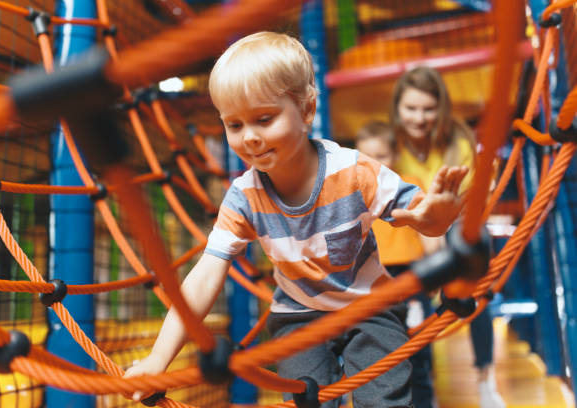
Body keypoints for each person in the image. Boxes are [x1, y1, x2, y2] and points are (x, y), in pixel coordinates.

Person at [124, 32, 468, 408]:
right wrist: (159, 359)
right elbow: (205, 275)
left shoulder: (355, 172)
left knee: (386, 397)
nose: (250, 137)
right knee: (306, 399)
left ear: (306, 110)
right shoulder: (244, 197)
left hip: (371, 306)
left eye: (264, 119)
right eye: (234, 125)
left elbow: (425, 220)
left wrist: (436, 217)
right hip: (299, 317)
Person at [390, 65, 505, 408]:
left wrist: (441, 230)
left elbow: (470, 203)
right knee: (411, 308)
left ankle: (485, 379)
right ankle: (425, 386)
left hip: (454, 228)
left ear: (441, 108)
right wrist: (426, 229)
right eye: (411, 108)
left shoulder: (458, 141)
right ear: (397, 108)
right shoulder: (392, 146)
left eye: (428, 109)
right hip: (412, 237)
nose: (419, 118)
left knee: (475, 290)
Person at [356, 121, 440, 408]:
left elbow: (428, 230)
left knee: (417, 346)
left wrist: (435, 270)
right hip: (372, 278)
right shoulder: (356, 192)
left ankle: (424, 401)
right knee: (376, 346)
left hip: (410, 277)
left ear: (395, 154)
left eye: (381, 155)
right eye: (367, 158)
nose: (375, 164)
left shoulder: (408, 184)